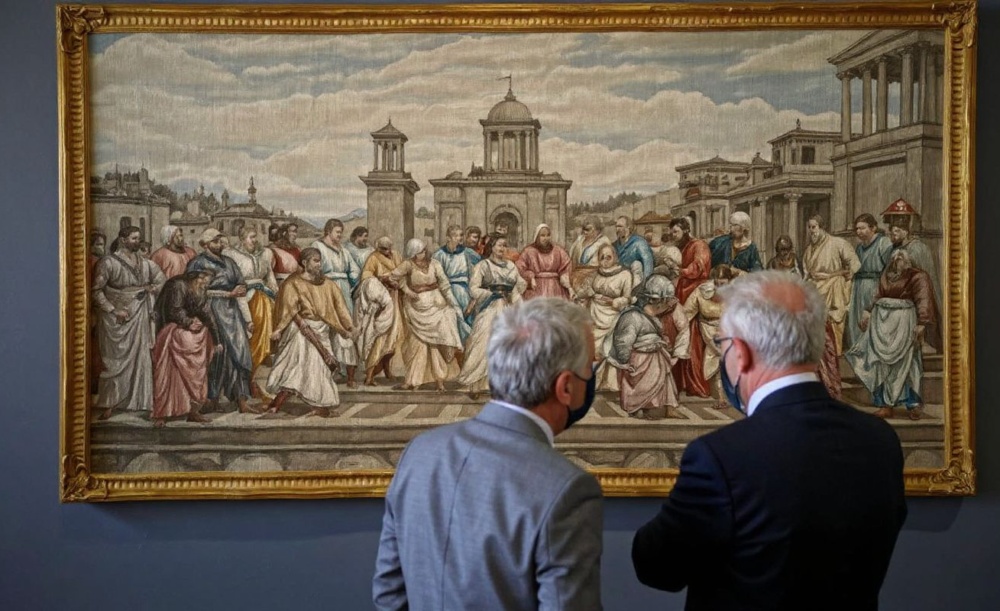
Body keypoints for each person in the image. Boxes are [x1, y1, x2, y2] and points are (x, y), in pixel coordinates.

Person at [632, 271, 907, 610]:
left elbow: (658, 567)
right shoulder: (881, 441)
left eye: (722, 345)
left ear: (742, 353)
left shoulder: (719, 456)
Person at [373, 298, 603, 611]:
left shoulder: (420, 453)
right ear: (565, 387)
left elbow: (388, 596)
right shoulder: (567, 489)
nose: (592, 375)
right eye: (591, 367)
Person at [845, 249, 942, 420]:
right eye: (895, 258)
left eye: (902, 258)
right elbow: (877, 294)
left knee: (908, 364)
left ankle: (913, 405)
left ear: (908, 261)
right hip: (882, 323)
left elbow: (923, 299)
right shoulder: (886, 275)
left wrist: (921, 323)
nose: (898, 260)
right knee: (881, 364)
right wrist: (867, 311)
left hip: (905, 323)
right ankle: (886, 406)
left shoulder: (918, 276)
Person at [265, 248, 354, 416]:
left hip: (322, 329)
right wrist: (279, 329)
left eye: (319, 260)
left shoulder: (328, 283)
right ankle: (280, 404)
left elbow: (340, 307)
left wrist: (348, 327)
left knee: (319, 371)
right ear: (305, 263)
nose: (319, 264)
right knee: (298, 368)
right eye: (315, 260)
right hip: (301, 331)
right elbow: (288, 310)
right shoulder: (293, 283)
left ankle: (314, 404)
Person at [92, 226, 166, 420]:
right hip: (116, 319)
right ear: (123, 240)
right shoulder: (107, 262)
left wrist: (152, 289)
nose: (138, 242)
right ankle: (110, 404)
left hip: (140, 313)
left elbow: (161, 280)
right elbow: (96, 291)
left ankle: (141, 402)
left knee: (142, 358)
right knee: (115, 362)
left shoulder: (145, 263)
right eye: (134, 238)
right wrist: (113, 309)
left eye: (139, 239)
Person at [186, 228, 256, 414]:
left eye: (220, 241)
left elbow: (240, 285)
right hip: (209, 312)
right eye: (215, 241)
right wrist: (227, 293)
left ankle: (241, 400)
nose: (220, 245)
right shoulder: (197, 263)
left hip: (232, 315)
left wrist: (247, 317)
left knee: (239, 355)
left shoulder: (229, 262)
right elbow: (193, 291)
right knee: (215, 357)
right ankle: (212, 399)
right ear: (206, 244)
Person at [606, 275, 688, 419]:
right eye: (665, 301)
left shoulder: (654, 317)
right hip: (639, 358)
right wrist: (624, 361)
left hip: (655, 356)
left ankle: (663, 407)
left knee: (663, 380)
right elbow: (623, 341)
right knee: (641, 385)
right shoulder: (633, 316)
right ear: (655, 301)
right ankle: (637, 407)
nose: (669, 305)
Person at [455, 237, 526, 399]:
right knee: (482, 342)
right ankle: (476, 385)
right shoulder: (483, 266)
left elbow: (518, 285)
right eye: (499, 245)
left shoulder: (510, 266)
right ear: (491, 247)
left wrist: (515, 297)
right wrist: (490, 293)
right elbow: (473, 289)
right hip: (489, 307)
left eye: (505, 245)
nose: (503, 248)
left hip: (507, 308)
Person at [391, 239, 464, 391]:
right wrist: (407, 291)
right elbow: (393, 277)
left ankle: (439, 381)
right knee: (416, 345)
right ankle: (412, 380)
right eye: (419, 252)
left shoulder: (435, 264)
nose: (423, 254)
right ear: (413, 254)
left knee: (436, 344)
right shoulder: (407, 265)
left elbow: (444, 284)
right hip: (416, 308)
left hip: (436, 306)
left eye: (424, 250)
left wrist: (453, 302)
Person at [151, 270, 218, 427]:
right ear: (197, 277)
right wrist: (189, 322)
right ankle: (162, 413)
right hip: (171, 332)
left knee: (195, 371)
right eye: (205, 280)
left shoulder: (200, 291)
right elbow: (174, 310)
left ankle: (193, 411)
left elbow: (206, 312)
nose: (206, 285)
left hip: (189, 333)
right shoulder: (178, 285)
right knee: (168, 375)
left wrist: (217, 339)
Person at [575, 243, 633, 391]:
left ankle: (610, 383)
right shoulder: (595, 273)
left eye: (609, 257)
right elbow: (585, 289)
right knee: (593, 349)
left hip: (613, 316)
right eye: (602, 257)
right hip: (595, 313)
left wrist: (613, 301)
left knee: (610, 348)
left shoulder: (625, 274)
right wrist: (587, 293)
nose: (605, 260)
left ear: (615, 257)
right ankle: (595, 382)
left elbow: (627, 298)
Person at [224, 226, 278, 386]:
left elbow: (269, 275)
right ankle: (247, 372)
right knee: (249, 334)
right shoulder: (232, 255)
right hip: (244, 299)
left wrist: (276, 290)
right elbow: (231, 279)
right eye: (251, 237)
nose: (255, 240)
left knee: (267, 331)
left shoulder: (265, 253)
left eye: (255, 237)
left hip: (263, 296)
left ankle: (257, 370)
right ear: (242, 238)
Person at [311, 219, 362, 387]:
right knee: (326, 329)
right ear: (328, 231)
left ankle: (349, 375)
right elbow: (312, 268)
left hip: (343, 291)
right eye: (337, 232)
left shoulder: (343, 250)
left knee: (345, 327)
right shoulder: (317, 246)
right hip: (325, 289)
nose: (340, 235)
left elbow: (354, 269)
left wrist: (352, 283)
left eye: (341, 232)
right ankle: (329, 372)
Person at [802, 215, 861, 356]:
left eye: (814, 227)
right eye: (809, 227)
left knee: (834, 320)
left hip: (834, 287)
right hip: (815, 289)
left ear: (822, 227)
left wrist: (847, 274)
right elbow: (806, 273)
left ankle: (834, 352)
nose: (811, 231)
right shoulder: (809, 250)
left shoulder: (837, 243)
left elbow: (855, 263)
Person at [680, 264, 738, 406]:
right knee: (716, 359)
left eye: (723, 284)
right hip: (708, 331)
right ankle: (721, 397)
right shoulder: (702, 292)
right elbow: (686, 312)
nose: (719, 288)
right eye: (717, 284)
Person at [358, 236, 406, 386]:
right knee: (379, 337)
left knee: (393, 337)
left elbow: (403, 272)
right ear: (378, 248)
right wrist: (382, 279)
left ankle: (387, 368)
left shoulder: (397, 255)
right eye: (384, 248)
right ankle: (370, 375)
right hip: (382, 303)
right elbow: (366, 278)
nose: (388, 251)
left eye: (389, 247)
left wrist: (397, 282)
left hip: (396, 300)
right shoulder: (373, 258)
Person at [847, 213, 893, 350]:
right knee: (857, 324)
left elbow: (889, 269)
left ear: (873, 228)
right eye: (857, 229)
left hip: (875, 287)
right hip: (858, 288)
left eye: (862, 228)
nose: (858, 232)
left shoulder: (883, 243)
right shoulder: (859, 247)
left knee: (874, 325)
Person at [432, 224, 480, 343]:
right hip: (446, 291)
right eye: (456, 235)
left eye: (461, 235)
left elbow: (481, 268)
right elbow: (435, 276)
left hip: (464, 291)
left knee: (469, 317)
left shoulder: (468, 253)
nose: (459, 238)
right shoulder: (439, 255)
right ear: (448, 238)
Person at [516, 223, 572, 300]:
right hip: (536, 288)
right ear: (537, 237)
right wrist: (530, 277)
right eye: (542, 235)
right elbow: (520, 268)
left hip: (555, 289)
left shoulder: (558, 250)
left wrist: (567, 283)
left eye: (548, 235)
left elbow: (566, 267)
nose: (546, 238)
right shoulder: (529, 251)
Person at [668, 217, 711, 305]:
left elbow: (696, 269)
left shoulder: (699, 245)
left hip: (696, 288)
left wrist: (677, 269)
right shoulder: (681, 246)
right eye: (672, 233)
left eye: (676, 232)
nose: (673, 235)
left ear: (685, 230)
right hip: (684, 287)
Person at [614, 215, 655, 287]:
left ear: (628, 227)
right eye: (616, 226)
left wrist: (645, 284)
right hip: (619, 280)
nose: (617, 229)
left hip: (636, 281)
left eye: (620, 226)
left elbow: (648, 262)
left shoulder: (639, 242)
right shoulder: (614, 245)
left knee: (637, 264)